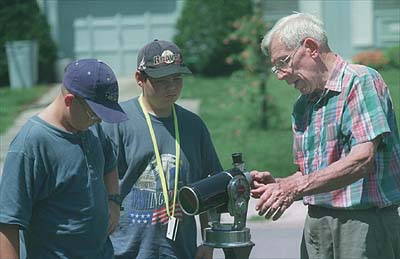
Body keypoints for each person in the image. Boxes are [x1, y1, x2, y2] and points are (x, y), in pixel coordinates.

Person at [250, 13, 400, 259]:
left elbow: (362, 160)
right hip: (317, 225)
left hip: (362, 224)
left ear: (310, 47)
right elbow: (310, 174)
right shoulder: (302, 105)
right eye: (275, 67)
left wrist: (294, 187)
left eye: (283, 62)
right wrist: (279, 185)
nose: (280, 75)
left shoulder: (360, 81)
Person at [101, 39, 223, 259]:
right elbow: (95, 186)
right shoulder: (117, 123)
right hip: (124, 251)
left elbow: (210, 186)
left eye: (177, 78)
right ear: (140, 79)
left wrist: (208, 240)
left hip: (180, 251)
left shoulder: (194, 126)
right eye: (162, 80)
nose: (172, 87)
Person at [0, 59, 128, 259]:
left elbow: (109, 163)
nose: (99, 120)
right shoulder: (32, 144)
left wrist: (113, 201)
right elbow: (8, 222)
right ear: (69, 100)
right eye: (93, 113)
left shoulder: (90, 127)